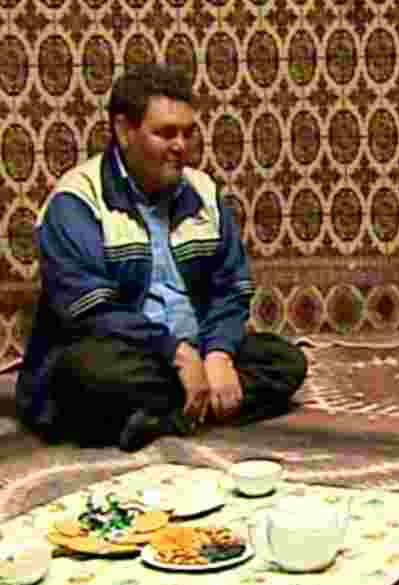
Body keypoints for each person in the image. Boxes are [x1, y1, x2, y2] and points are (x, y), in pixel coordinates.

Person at [16, 63, 307, 452]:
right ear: (124, 131)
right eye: (166, 133)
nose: (181, 146)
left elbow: (230, 288)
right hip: (121, 352)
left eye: (188, 133)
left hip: (191, 349)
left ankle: (160, 418)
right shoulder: (76, 201)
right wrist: (175, 353)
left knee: (286, 361)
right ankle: (192, 403)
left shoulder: (203, 192)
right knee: (87, 374)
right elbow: (91, 313)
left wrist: (218, 354)